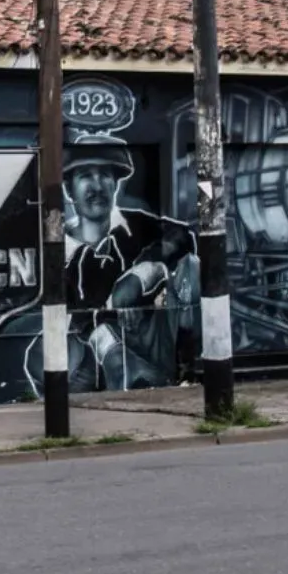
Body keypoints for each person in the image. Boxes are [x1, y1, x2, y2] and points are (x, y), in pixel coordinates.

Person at [60, 134, 197, 390]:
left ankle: (194, 366)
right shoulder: (57, 247)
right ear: (69, 189)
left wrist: (141, 275)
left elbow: (180, 237)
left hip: (153, 341)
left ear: (115, 184)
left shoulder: (139, 225)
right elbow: (74, 319)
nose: (97, 186)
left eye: (105, 176)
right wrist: (114, 309)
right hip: (95, 355)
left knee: (193, 267)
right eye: (85, 176)